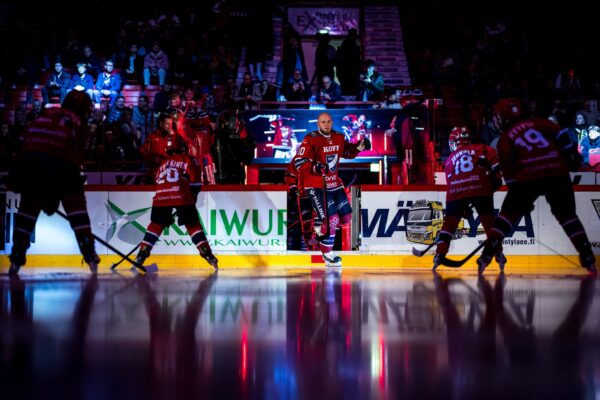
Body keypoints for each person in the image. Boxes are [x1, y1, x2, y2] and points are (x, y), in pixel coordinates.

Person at [477, 98, 596, 275]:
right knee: (567, 216)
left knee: (507, 216)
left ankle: (486, 255)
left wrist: (520, 199)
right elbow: (563, 135)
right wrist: (569, 155)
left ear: (504, 117)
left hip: (527, 175)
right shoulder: (540, 122)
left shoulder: (504, 139)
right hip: (557, 171)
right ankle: (587, 258)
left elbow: (510, 178)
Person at [6, 91, 99, 275]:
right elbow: (76, 158)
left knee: (28, 210)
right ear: (83, 110)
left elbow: (20, 142)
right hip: (61, 160)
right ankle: (90, 255)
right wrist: (57, 192)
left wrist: (40, 189)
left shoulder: (46, 114)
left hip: (31, 158)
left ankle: (16, 256)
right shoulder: (78, 122)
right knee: (76, 208)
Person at [293, 112, 368, 267]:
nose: (326, 124)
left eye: (328, 122)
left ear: (332, 122)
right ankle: (327, 255)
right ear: (318, 124)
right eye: (323, 122)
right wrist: (315, 166)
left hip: (335, 184)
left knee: (346, 217)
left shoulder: (339, 137)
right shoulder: (310, 139)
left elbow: (348, 151)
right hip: (317, 186)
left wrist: (359, 147)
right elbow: (299, 162)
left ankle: (321, 231)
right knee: (332, 219)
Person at [134, 134, 218, 270]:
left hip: (160, 197)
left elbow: (158, 182)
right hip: (181, 194)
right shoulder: (189, 159)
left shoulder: (162, 164)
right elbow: (196, 182)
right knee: (192, 225)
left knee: (156, 225)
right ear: (182, 146)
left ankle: (142, 254)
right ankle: (207, 253)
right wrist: (193, 197)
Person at [433, 126, 504, 270]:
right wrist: (495, 177)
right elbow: (496, 164)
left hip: (457, 190)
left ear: (453, 142)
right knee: (489, 223)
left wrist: (462, 208)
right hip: (480, 186)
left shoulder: (448, 161)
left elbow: (451, 183)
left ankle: (439, 254)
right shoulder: (480, 148)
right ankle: (497, 254)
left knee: (449, 224)